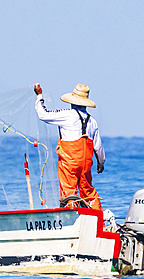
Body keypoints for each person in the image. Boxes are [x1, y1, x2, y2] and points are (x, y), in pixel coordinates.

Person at [34, 83, 105, 211]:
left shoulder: (67, 115)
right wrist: (101, 163)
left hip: (69, 161)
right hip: (86, 163)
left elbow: (43, 115)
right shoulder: (92, 121)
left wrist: (39, 96)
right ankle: (99, 221)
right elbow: (98, 147)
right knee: (88, 192)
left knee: (69, 192)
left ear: (72, 101)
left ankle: (71, 222)